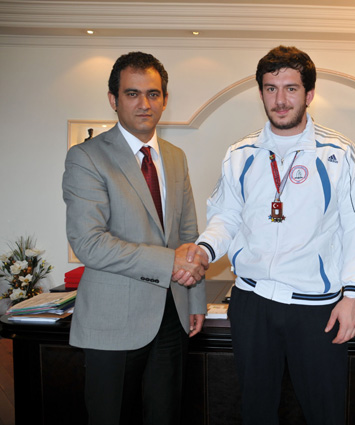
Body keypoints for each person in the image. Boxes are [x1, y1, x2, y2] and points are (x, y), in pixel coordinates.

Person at [192, 45, 355, 425]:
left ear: (309, 94)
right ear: (260, 92)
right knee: (256, 411)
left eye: (291, 89)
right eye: (271, 88)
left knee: (324, 412)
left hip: (317, 307)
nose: (280, 100)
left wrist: (353, 294)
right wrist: (205, 250)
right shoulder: (240, 153)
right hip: (252, 301)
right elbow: (225, 215)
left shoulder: (340, 153)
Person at [62, 51, 209, 425]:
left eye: (153, 94)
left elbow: (188, 234)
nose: (145, 104)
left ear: (165, 99)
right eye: (132, 94)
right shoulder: (86, 157)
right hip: (111, 321)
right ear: (113, 99)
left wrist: (195, 298)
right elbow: (89, 243)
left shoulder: (175, 157)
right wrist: (169, 262)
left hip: (173, 317)